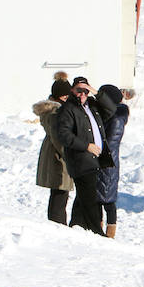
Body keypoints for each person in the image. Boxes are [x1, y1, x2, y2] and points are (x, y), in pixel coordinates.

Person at [54, 78, 117, 236]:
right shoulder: (68, 109)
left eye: (85, 91)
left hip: (95, 159)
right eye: (78, 90)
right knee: (89, 197)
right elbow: (64, 135)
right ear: (72, 91)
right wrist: (86, 146)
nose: (82, 94)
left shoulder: (92, 106)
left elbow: (111, 109)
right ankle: (96, 230)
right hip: (80, 159)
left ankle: (77, 224)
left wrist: (96, 92)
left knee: (85, 195)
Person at [33, 74, 74, 225]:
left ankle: (57, 224)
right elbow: (59, 140)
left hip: (55, 156)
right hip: (58, 159)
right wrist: (70, 155)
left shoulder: (55, 110)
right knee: (59, 193)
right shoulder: (56, 113)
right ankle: (58, 226)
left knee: (60, 193)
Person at [96, 84, 129, 238]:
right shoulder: (117, 115)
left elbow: (110, 141)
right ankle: (104, 228)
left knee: (106, 199)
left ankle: (108, 231)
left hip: (107, 160)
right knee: (105, 196)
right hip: (109, 160)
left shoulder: (115, 118)